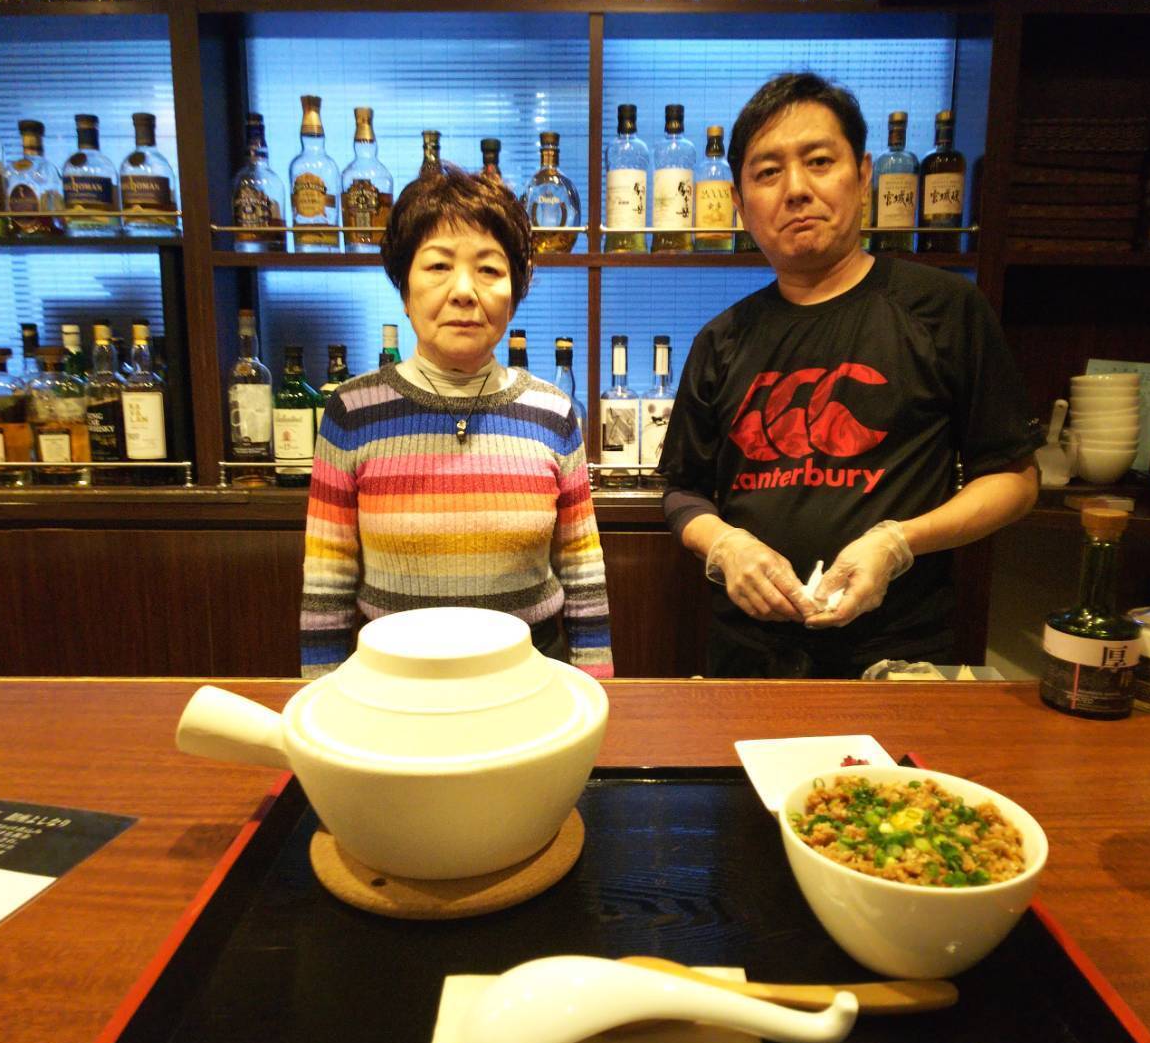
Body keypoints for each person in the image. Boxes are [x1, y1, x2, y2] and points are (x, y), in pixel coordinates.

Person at [659, 73, 1042, 678]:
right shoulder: (722, 338)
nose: (796, 189)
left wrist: (897, 543)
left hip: (895, 654)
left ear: (863, 176)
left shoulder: (943, 309)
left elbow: (1014, 480)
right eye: (768, 172)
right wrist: (725, 545)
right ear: (738, 202)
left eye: (818, 161)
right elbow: (684, 491)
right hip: (748, 656)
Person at [299, 165, 613, 680]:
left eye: (488, 269)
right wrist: (322, 699)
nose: (464, 291)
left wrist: (598, 691)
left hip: (533, 680)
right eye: (439, 265)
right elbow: (327, 582)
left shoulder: (553, 412)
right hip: (395, 682)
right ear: (405, 289)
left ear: (514, 292)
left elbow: (582, 570)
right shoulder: (352, 411)